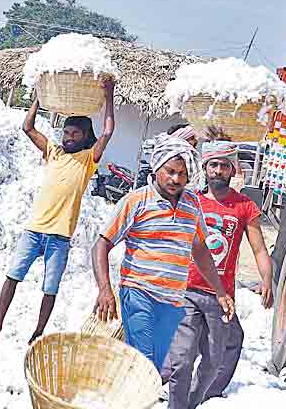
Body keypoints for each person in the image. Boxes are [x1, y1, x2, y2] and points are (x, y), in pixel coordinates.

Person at [0, 78, 116, 343]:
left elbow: (108, 131)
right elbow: (27, 127)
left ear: (86, 137)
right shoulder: (53, 152)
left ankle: (38, 333)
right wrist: (41, 96)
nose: (68, 137)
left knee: (50, 289)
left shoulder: (88, 159)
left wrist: (109, 95)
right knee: (12, 277)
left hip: (60, 238)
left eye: (75, 134)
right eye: (66, 132)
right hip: (34, 231)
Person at [92, 135, 235, 371]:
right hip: (138, 293)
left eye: (182, 174)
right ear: (157, 166)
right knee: (142, 362)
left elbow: (199, 251)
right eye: (169, 171)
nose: (175, 179)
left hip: (172, 301)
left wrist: (220, 292)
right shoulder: (136, 201)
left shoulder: (192, 203)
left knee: (153, 368)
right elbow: (101, 244)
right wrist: (105, 289)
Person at [162, 142, 273, 408]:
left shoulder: (245, 206)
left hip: (221, 298)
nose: (219, 170)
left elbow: (258, 249)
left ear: (233, 170)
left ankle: (192, 402)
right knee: (183, 359)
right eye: (214, 165)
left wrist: (267, 280)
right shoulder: (191, 201)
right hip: (187, 290)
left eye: (225, 166)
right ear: (205, 168)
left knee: (212, 363)